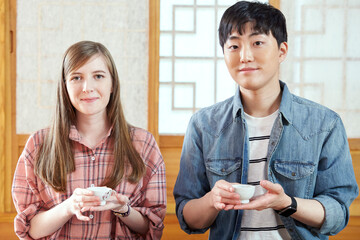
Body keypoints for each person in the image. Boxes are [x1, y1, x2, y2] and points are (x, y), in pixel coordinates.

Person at [173, 1, 359, 240]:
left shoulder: (325, 124)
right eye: (234, 46)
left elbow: (338, 213)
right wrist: (213, 200)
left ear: (282, 51)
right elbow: (187, 218)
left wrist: (287, 203)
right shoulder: (203, 125)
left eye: (257, 43)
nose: (245, 56)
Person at [12, 41, 166, 239]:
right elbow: (29, 229)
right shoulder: (39, 144)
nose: (87, 87)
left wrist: (123, 208)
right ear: (65, 86)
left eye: (98, 76)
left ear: (112, 84)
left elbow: (152, 228)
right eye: (77, 77)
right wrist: (69, 206)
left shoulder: (143, 144)